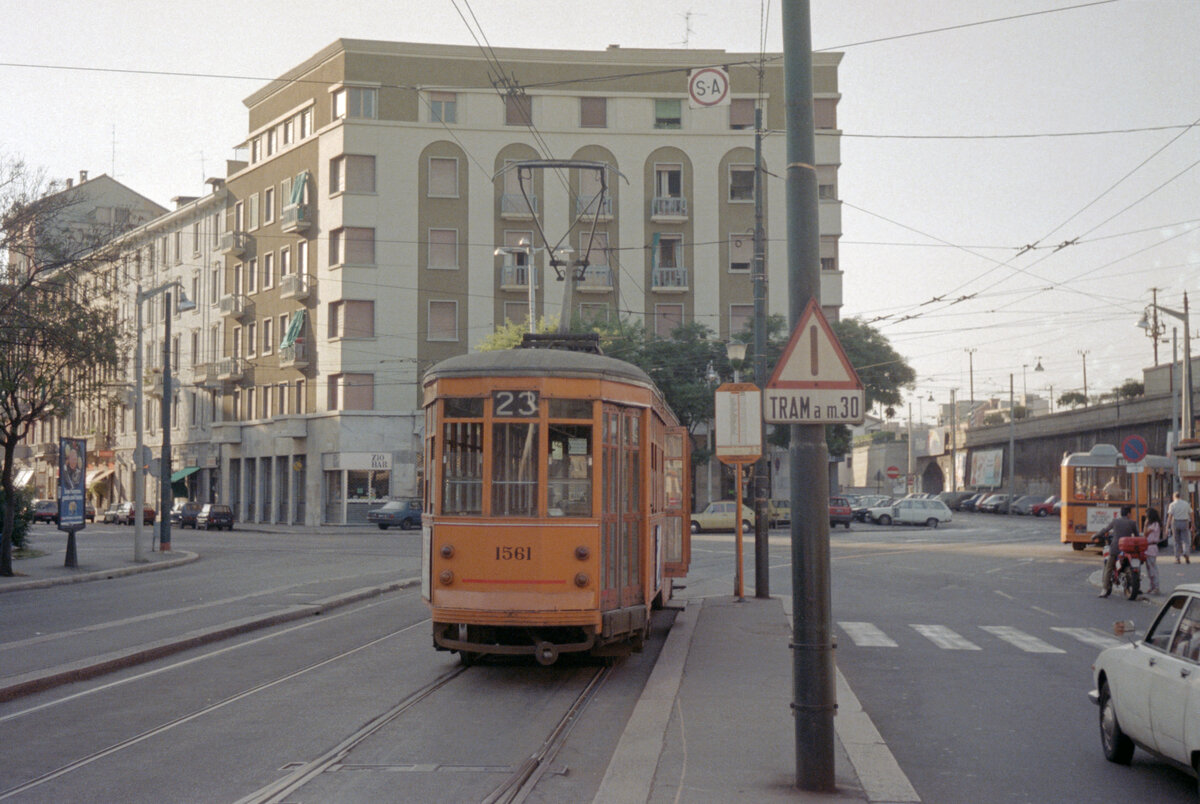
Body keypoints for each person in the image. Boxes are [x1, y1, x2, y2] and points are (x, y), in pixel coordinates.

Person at [1094, 506, 1138, 598]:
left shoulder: (1115, 521)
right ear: (1128, 514)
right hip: (1127, 549)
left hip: (1115, 548)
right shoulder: (1132, 523)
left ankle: (1105, 589)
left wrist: (1095, 536)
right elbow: (1137, 536)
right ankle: (1137, 586)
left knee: (1108, 568)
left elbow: (1105, 530)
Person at [1166, 491, 1192, 564]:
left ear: (1174, 497)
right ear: (1180, 497)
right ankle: (1186, 553)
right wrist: (1192, 525)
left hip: (1176, 522)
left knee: (1177, 541)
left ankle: (1177, 558)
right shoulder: (1186, 504)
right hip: (1185, 522)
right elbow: (1191, 514)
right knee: (1186, 540)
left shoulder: (1172, 504)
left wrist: (1167, 527)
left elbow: (1170, 517)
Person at [1143, 507, 1163, 595]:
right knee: (1149, 568)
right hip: (1148, 547)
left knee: (1152, 568)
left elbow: (1145, 534)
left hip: (1151, 547)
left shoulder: (1154, 524)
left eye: (1147, 515)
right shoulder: (1155, 524)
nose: (1146, 517)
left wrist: (1145, 525)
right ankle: (1152, 586)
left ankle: (1156, 587)